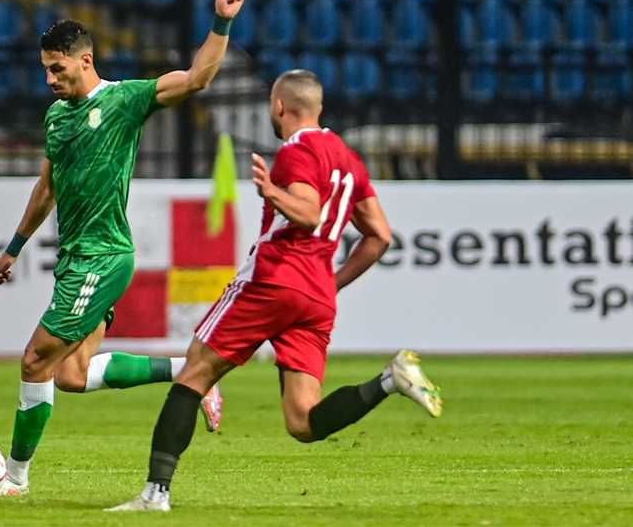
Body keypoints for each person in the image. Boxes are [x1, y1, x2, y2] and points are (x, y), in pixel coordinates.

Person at [108, 70, 444, 512]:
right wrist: (331, 283)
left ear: (280, 105)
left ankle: (156, 494)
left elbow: (308, 212)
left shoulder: (296, 151)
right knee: (302, 421)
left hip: (273, 280)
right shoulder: (347, 158)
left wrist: (272, 192)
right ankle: (390, 380)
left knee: (194, 373)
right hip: (315, 295)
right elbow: (379, 235)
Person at [0, 0, 247, 497]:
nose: (49, 79)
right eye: (45, 70)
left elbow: (197, 78)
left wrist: (221, 22)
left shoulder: (124, 101)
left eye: (57, 69)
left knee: (35, 359)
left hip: (104, 256)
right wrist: (14, 247)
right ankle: (192, 373)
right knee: (71, 375)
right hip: (74, 259)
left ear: (85, 60)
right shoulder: (56, 117)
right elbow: (47, 188)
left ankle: (13, 478)